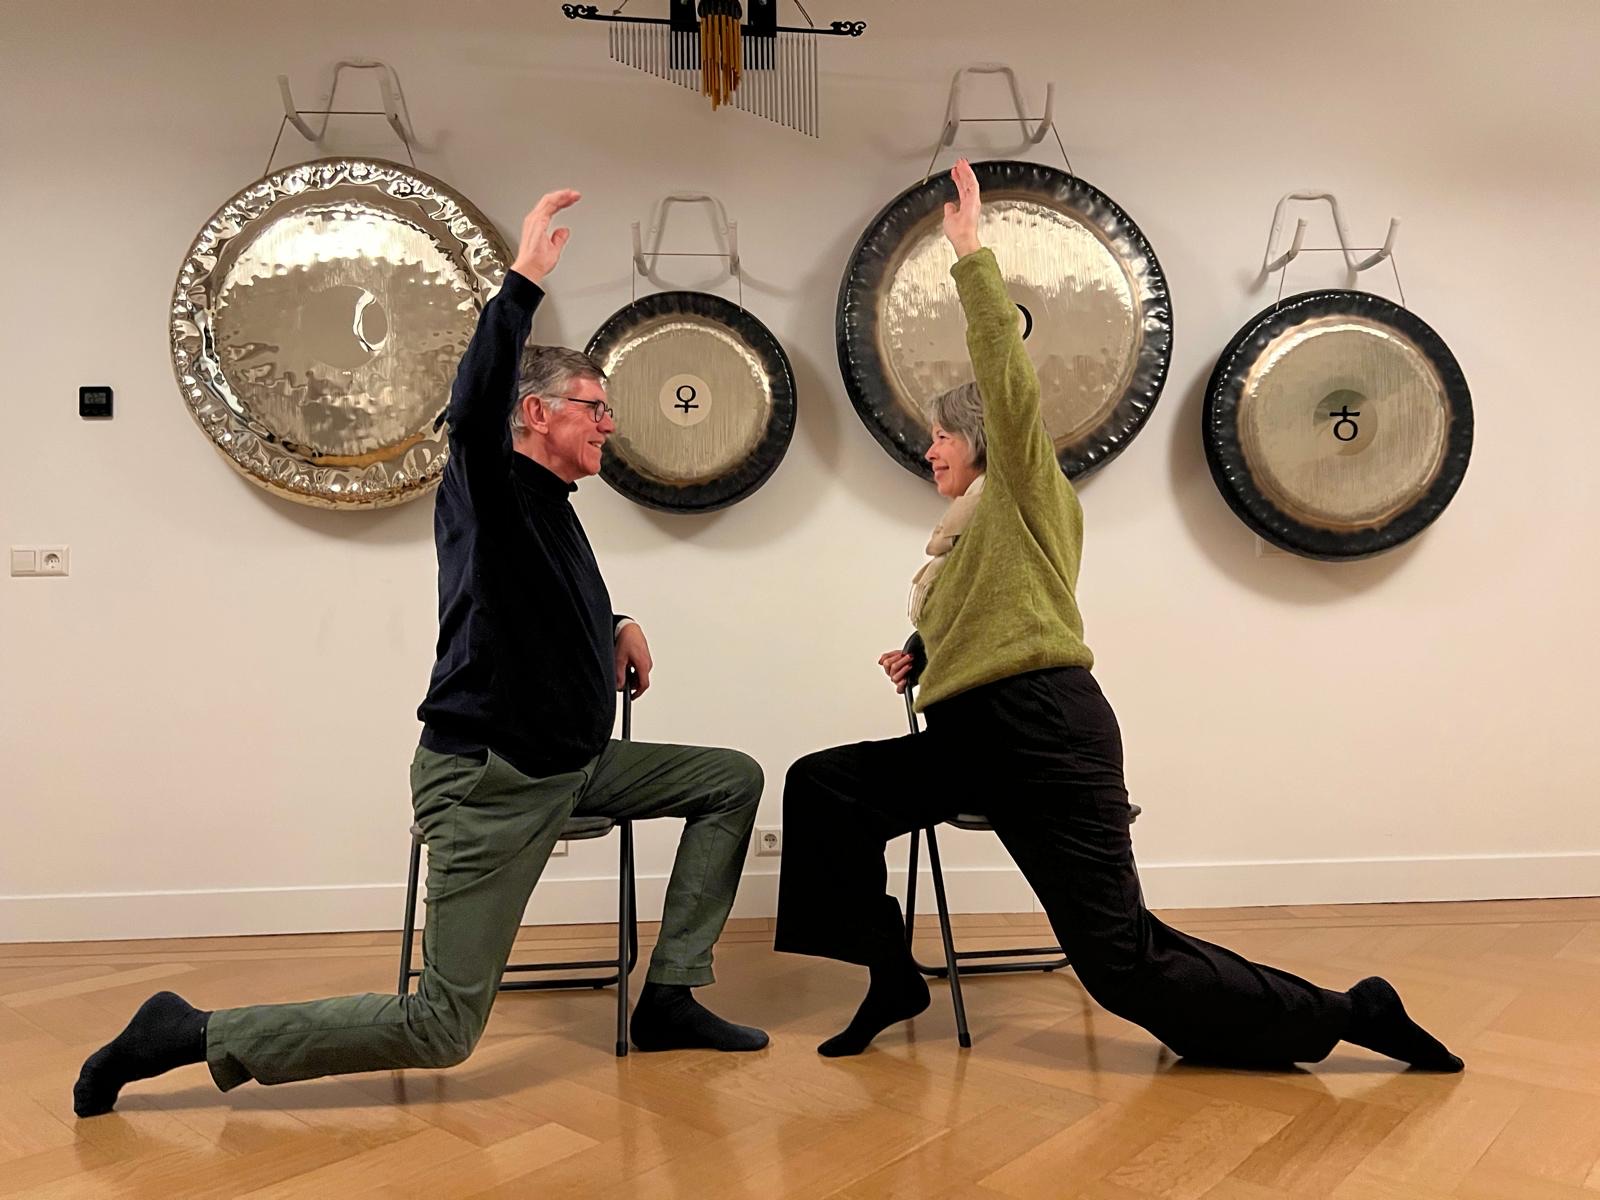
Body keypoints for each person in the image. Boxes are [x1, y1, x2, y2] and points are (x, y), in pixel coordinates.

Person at [74, 189, 768, 1119]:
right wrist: (520, 286)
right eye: (594, 407)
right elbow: (473, 413)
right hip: (492, 784)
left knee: (729, 779)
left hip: (571, 766)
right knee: (442, 1027)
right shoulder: (488, 483)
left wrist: (615, 624)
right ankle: (188, 1032)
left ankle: (671, 995)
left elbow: (528, 605)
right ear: (535, 414)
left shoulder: (550, 507)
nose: (609, 423)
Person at [773, 160, 1462, 1073]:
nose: (927, 448)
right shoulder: (965, 536)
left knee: (1120, 963)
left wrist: (970, 257)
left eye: (941, 435)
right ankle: (892, 973)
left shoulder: (1024, 491)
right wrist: (922, 652)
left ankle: (1346, 1012)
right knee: (825, 789)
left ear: (982, 440)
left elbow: (1010, 388)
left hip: (1044, 736)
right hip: (972, 737)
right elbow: (999, 615)